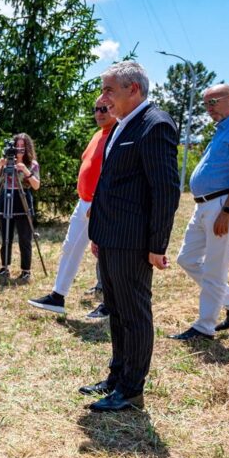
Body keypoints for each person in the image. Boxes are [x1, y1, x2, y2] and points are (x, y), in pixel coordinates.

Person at [85, 61, 180, 412]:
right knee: (117, 312)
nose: (103, 97)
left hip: (133, 241)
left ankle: (131, 389)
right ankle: (116, 377)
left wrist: (157, 245)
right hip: (112, 237)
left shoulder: (155, 125)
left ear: (133, 90)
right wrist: (100, 233)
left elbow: (166, 190)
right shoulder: (125, 124)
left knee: (134, 314)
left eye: (109, 89)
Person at [169, 85, 229, 341]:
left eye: (214, 102)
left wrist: (228, 210)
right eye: (206, 104)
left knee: (214, 269)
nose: (209, 108)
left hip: (222, 205)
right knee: (186, 259)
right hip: (204, 205)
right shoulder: (222, 129)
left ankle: (204, 327)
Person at [28, 100, 115, 318]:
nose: (99, 113)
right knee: (70, 247)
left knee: (107, 254)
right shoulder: (98, 134)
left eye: (104, 108)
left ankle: (111, 304)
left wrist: (98, 202)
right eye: (96, 109)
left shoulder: (117, 135)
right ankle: (58, 296)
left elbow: (113, 175)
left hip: (101, 203)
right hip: (84, 201)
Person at [0, 133, 41, 283]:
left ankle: (26, 270)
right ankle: (4, 266)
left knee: (25, 237)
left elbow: (36, 186)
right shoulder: (6, 163)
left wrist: (25, 170)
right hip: (6, 196)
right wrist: (0, 164)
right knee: (6, 236)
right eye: (17, 146)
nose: (19, 149)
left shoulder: (32, 164)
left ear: (27, 148)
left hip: (23, 197)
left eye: (23, 147)